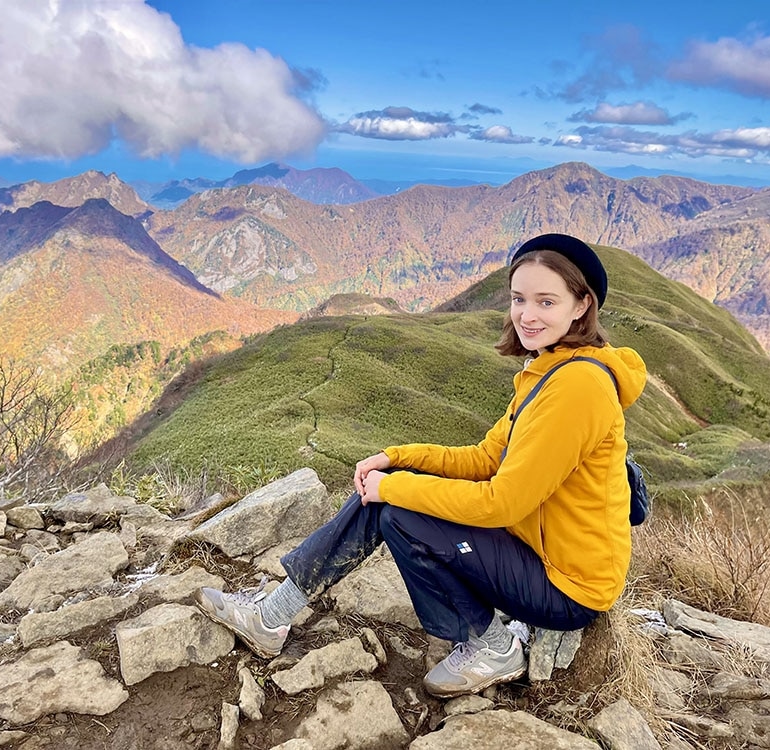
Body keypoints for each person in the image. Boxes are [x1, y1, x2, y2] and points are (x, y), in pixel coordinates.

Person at [196, 232, 647, 698]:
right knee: (390, 490)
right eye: (518, 299)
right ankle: (273, 615)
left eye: (545, 301)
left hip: (568, 588)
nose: (526, 315)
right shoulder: (550, 369)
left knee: (400, 512)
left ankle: (495, 647)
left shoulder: (578, 388)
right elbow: (486, 458)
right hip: (536, 551)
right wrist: (397, 458)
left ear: (581, 305)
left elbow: (503, 503)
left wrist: (393, 488)